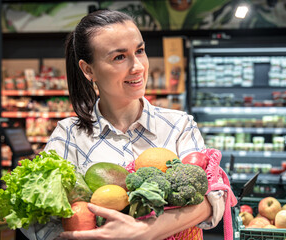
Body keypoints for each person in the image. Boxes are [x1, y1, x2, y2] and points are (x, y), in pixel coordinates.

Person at [21, 9, 226, 240]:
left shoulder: (179, 125)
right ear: (88, 70)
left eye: (140, 51)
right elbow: (38, 222)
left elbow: (213, 200)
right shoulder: (69, 135)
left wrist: (144, 232)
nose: (138, 66)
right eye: (119, 57)